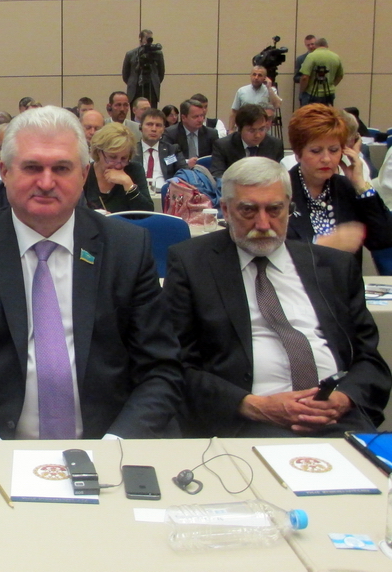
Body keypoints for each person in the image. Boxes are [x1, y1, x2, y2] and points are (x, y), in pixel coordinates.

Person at [0, 106, 182, 440]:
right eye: (32, 167)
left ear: (84, 174)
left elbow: (161, 369)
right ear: (5, 171)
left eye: (61, 168)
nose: (46, 182)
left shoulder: (127, 249)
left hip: (106, 444)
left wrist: (115, 445)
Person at [161, 157, 390, 437]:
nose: (263, 223)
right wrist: (252, 405)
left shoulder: (334, 266)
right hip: (247, 422)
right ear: (226, 210)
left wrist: (344, 399)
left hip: (337, 419)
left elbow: (370, 360)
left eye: (274, 209)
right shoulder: (192, 264)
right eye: (248, 210)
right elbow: (174, 364)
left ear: (289, 207)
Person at [287, 104, 392, 255]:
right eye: (316, 151)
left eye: (334, 150)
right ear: (298, 153)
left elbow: (383, 239)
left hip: (346, 271)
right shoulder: (282, 189)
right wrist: (322, 244)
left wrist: (361, 186)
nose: (326, 159)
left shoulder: (345, 187)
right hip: (299, 271)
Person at [83, 123, 152, 213]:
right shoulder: (86, 173)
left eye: (124, 158)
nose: (118, 165)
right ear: (99, 152)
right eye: (112, 157)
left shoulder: (134, 170)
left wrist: (128, 184)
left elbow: (147, 213)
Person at [211, 104, 284, 178]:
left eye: (261, 129)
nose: (257, 135)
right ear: (240, 129)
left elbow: (279, 176)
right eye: (252, 130)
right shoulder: (223, 146)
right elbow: (218, 176)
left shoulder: (275, 145)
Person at [133, 108, 185, 194]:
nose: (154, 129)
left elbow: (184, 173)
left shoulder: (172, 150)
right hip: (138, 194)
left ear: (164, 129)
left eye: (158, 125)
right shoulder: (131, 151)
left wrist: (172, 183)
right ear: (140, 127)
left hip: (165, 194)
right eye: (149, 124)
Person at [163, 99, 218, 167]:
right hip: (180, 171)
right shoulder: (170, 133)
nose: (200, 120)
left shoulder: (211, 134)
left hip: (205, 170)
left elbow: (217, 158)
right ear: (183, 118)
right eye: (196, 117)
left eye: (202, 116)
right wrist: (186, 162)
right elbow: (167, 160)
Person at [229, 67, 282, 132]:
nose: (256, 78)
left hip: (262, 130)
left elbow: (277, 105)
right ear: (250, 76)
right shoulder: (242, 91)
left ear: (265, 78)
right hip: (245, 128)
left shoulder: (271, 91)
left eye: (260, 75)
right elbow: (234, 111)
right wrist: (231, 130)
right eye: (254, 74)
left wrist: (269, 87)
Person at [122, 29, 165, 109]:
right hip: (136, 88)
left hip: (151, 88)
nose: (149, 41)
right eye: (147, 38)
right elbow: (125, 74)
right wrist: (133, 82)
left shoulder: (157, 54)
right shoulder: (130, 54)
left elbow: (161, 73)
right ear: (140, 39)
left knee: (152, 112)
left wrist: (155, 81)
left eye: (150, 38)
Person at [299, 38, 343, 106]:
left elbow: (305, 77)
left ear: (316, 46)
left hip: (312, 94)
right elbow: (340, 76)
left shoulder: (311, 56)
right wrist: (331, 85)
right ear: (327, 45)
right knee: (326, 112)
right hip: (329, 93)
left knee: (310, 112)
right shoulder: (336, 57)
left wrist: (302, 90)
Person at [294, 35, 317, 108]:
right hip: (306, 94)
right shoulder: (301, 59)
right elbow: (296, 78)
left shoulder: (322, 58)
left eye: (312, 44)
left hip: (319, 94)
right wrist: (305, 78)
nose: (310, 46)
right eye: (308, 45)